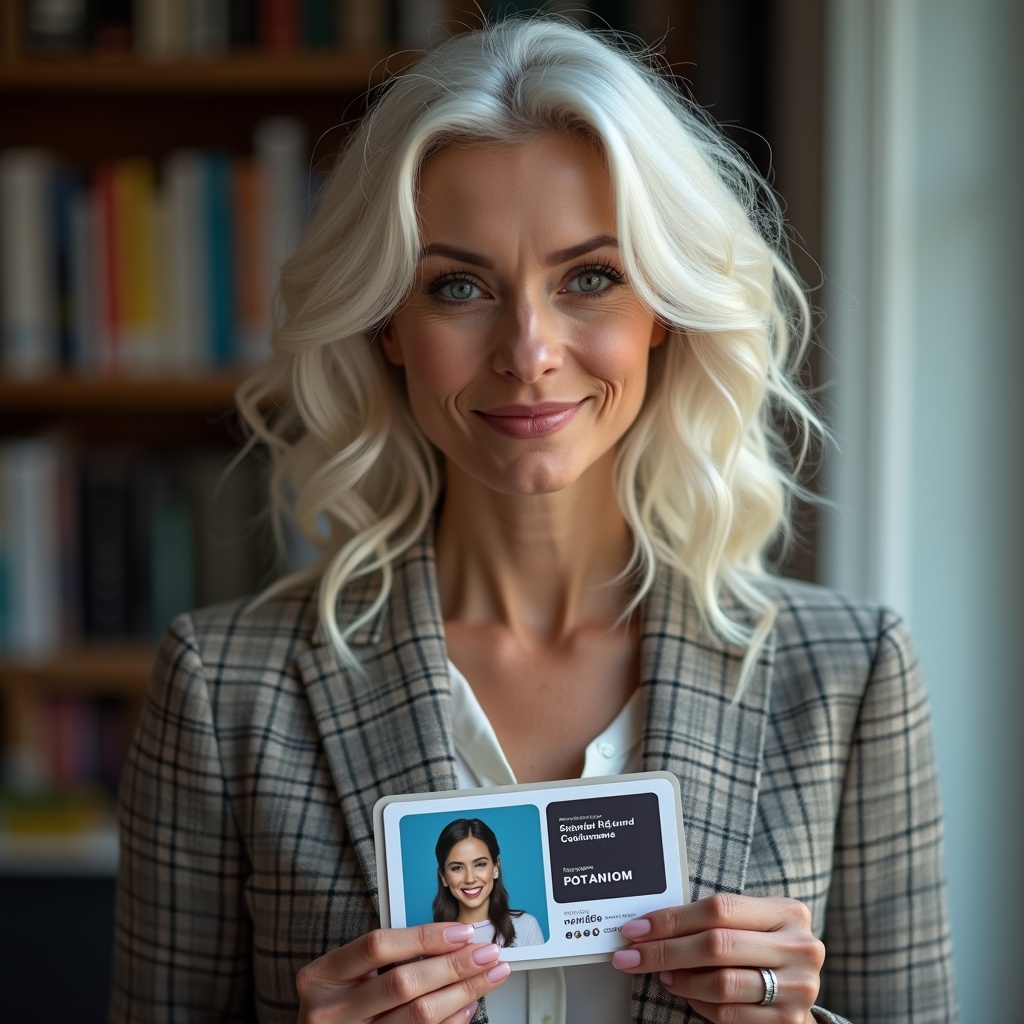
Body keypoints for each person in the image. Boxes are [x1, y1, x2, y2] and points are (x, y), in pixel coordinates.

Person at [110, 16, 958, 1024]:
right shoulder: (224, 688)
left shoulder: (851, 671)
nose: (528, 349)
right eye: (458, 286)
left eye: (589, 277)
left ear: (667, 311)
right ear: (388, 323)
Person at [432, 818, 545, 948]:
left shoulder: (526, 926)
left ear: (496, 867)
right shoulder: (432, 938)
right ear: (443, 876)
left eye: (480, 864)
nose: (470, 879)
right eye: (457, 868)